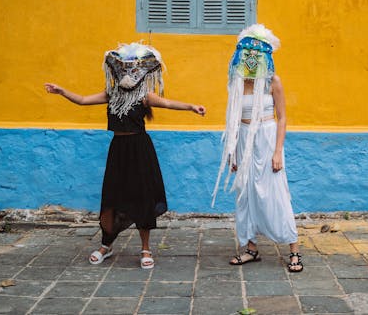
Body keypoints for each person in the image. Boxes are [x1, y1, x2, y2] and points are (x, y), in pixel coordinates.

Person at [45, 42, 206, 269]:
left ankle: (146, 249)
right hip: (118, 150)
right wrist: (62, 92)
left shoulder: (144, 96)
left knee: (142, 198)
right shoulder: (111, 94)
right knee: (111, 198)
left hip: (139, 150)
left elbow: (169, 103)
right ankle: (106, 245)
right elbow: (82, 100)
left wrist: (191, 107)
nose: (128, 73)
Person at [212, 24, 302, 273]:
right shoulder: (237, 81)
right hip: (243, 140)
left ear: (264, 56)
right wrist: (232, 151)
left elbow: (282, 118)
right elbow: (233, 118)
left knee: (276, 192)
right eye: (247, 54)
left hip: (267, 137)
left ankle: (294, 250)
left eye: (257, 54)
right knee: (245, 195)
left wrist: (277, 151)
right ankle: (250, 248)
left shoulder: (273, 81)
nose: (251, 58)